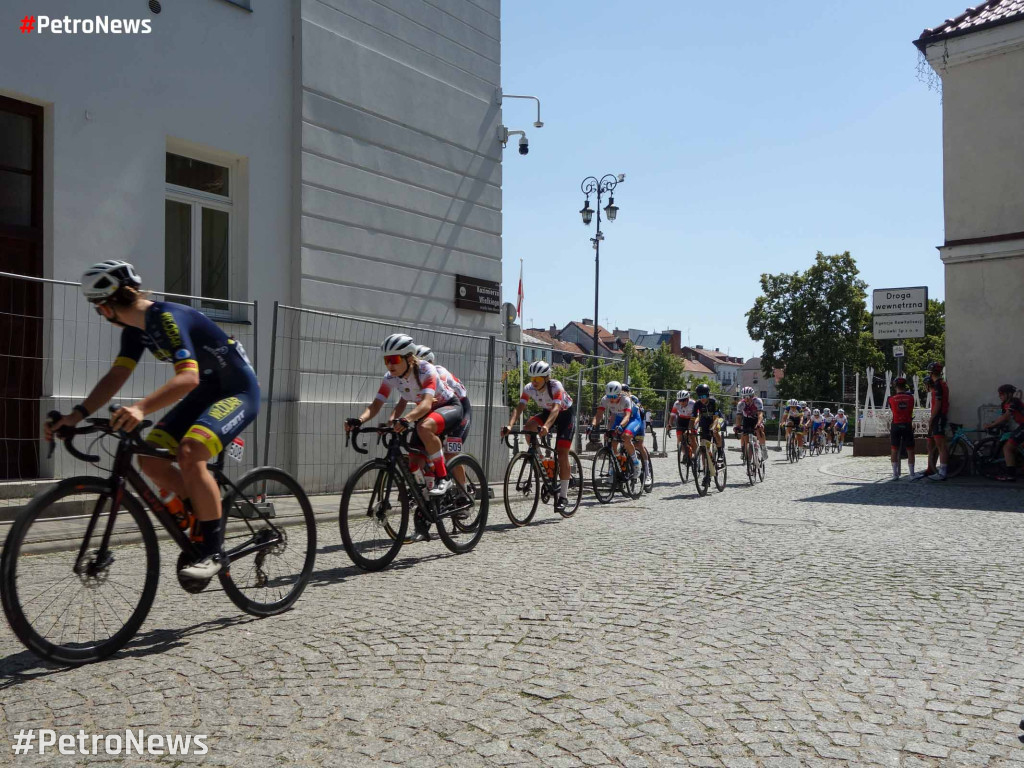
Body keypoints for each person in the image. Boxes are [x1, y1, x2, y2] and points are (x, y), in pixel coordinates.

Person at [44, 260, 260, 579]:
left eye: (97, 308)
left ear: (105, 307)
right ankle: (201, 513)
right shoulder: (136, 330)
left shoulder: (165, 319)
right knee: (149, 460)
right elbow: (117, 374)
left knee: (190, 452)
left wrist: (140, 410)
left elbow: (187, 379)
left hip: (237, 392)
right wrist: (77, 416)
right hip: (207, 391)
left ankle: (214, 550)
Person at [346, 334, 463, 542]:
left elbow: (427, 404)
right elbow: (375, 405)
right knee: (414, 461)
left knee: (424, 428)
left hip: (448, 407)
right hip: (424, 413)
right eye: (386, 360)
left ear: (409, 358)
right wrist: (359, 420)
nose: (390, 364)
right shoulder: (390, 378)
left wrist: (405, 419)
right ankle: (427, 503)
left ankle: (444, 478)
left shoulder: (426, 370)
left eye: (395, 359)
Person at [502, 360, 575, 511]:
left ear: (546, 378)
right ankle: (540, 459)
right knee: (529, 427)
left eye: (538, 379)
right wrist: (509, 425)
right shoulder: (529, 388)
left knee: (562, 453)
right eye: (532, 379)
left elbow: (556, 409)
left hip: (565, 414)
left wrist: (547, 426)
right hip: (547, 412)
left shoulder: (556, 386)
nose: (534, 382)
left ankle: (563, 496)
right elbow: (519, 407)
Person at [591, 381, 642, 477]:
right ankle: (618, 461)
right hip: (619, 418)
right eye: (609, 397)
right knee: (612, 442)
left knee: (626, 437)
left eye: (614, 397)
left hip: (633, 418)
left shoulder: (626, 399)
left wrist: (621, 426)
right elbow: (598, 415)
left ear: (619, 394)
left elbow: (627, 417)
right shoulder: (605, 399)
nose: (611, 400)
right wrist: (592, 425)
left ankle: (636, 463)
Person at [982, 384, 1024, 482]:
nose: (999, 396)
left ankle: (1010, 475)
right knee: (1018, 446)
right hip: (1022, 425)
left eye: (1001, 394)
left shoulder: (1014, 401)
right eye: (999, 394)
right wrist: (994, 424)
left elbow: (1006, 416)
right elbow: (1003, 418)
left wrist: (991, 425)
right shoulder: (1003, 404)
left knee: (1007, 447)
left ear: (1009, 394)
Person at [692, 383, 723, 488]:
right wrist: (692, 428)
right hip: (705, 421)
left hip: (717, 419)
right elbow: (694, 418)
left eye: (704, 397)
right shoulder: (697, 404)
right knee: (704, 449)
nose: (702, 399)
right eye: (700, 397)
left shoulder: (714, 402)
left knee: (715, 431)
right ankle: (707, 473)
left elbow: (716, 418)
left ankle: (720, 452)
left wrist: (713, 427)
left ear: (708, 395)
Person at [924, 362, 950, 481]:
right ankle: (938, 470)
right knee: (940, 445)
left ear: (931, 373)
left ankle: (942, 472)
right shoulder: (942, 383)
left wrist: (932, 418)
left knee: (941, 445)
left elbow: (938, 403)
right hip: (941, 415)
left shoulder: (938, 384)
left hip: (939, 416)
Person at [887, 376, 917, 480]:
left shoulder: (890, 399)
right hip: (907, 424)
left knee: (894, 449)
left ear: (895, 386)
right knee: (910, 450)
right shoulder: (911, 398)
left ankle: (895, 474)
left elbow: (892, 408)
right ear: (905, 386)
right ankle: (912, 474)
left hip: (896, 424)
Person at [621, 384, 652, 481]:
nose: (622, 394)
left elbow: (635, 411)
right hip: (625, 423)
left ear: (628, 392)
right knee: (622, 445)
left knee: (639, 445)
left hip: (639, 422)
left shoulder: (633, 398)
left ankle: (647, 473)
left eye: (624, 392)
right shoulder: (617, 401)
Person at [734, 386, 766, 461]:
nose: (747, 398)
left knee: (760, 429)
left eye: (749, 396)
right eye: (744, 396)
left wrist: (758, 424)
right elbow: (738, 417)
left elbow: (760, 414)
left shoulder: (757, 401)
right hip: (747, 419)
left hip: (756, 418)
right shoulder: (741, 404)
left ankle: (764, 449)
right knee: (744, 434)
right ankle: (745, 451)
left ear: (753, 396)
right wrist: (737, 426)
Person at [670, 389, 697, 459]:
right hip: (681, 419)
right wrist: (669, 424)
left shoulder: (693, 403)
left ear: (688, 399)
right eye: (680, 400)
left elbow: (698, 416)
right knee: (679, 440)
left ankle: (695, 454)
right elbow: (672, 415)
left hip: (691, 419)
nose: (681, 402)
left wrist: (693, 425)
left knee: (692, 437)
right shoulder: (676, 404)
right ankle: (686, 454)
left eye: (684, 400)